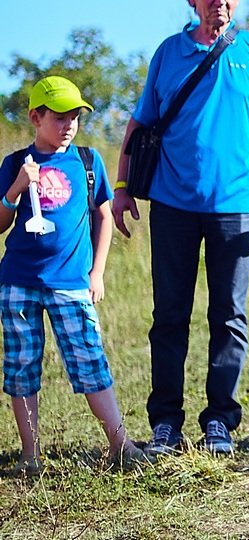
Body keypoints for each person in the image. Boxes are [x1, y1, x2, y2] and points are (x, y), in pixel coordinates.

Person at [113, 0, 249, 456]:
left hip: (237, 205)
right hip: (173, 205)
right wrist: (122, 187)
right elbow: (139, 125)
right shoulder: (169, 53)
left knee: (230, 317)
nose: (217, 1)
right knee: (169, 316)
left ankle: (220, 420)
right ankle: (165, 425)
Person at [1, 76, 147, 472]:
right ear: (35, 117)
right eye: (59, 117)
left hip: (71, 283)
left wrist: (97, 272)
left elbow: (103, 213)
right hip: (19, 283)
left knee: (89, 359)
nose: (69, 125)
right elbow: (0, 223)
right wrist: (15, 188)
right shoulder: (15, 163)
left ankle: (121, 445)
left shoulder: (87, 160)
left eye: (75, 118)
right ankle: (30, 456)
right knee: (21, 367)